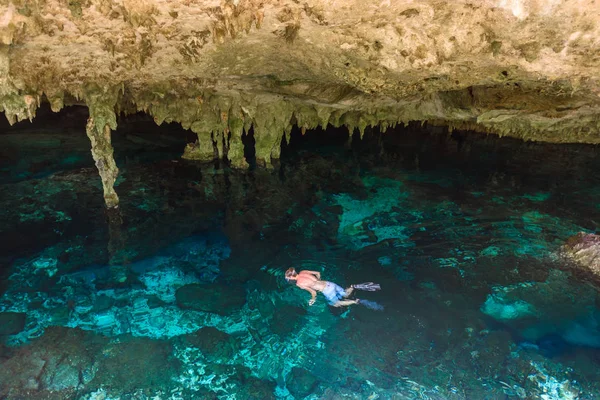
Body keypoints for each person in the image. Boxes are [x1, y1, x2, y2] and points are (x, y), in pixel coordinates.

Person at [285, 267, 381, 308]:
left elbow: (313, 293)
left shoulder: (299, 284)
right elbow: (318, 273)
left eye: (288, 278)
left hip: (326, 290)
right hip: (329, 284)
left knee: (335, 303)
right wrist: (318, 281)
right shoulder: (303, 271)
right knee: (344, 293)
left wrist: (312, 299)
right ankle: (353, 286)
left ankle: (355, 301)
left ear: (290, 277)